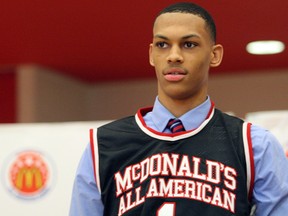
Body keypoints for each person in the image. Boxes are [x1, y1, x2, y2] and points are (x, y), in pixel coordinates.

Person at [69, 2, 288, 215]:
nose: (174, 56)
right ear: (151, 54)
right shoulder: (103, 145)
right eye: (162, 45)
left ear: (215, 55)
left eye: (189, 44)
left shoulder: (253, 145)